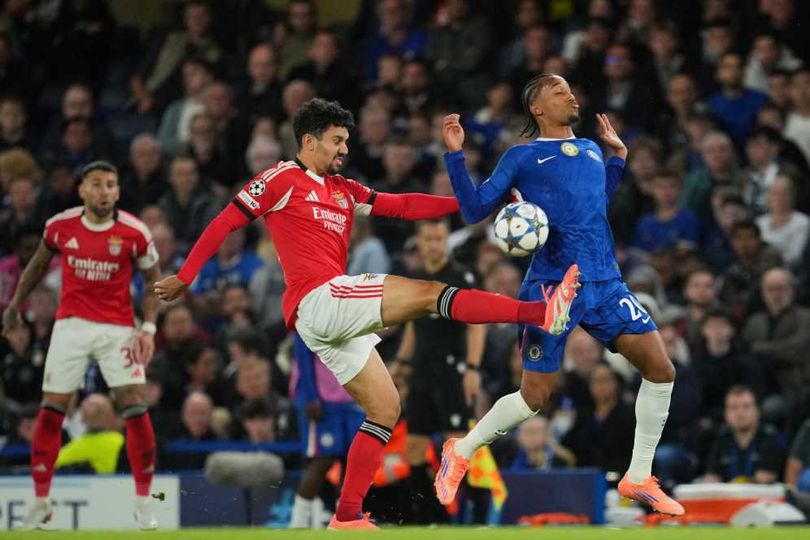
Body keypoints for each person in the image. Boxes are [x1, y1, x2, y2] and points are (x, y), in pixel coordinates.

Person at [154, 98, 579, 530]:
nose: (343, 150)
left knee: (385, 409)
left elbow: (404, 205)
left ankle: (346, 517)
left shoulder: (344, 189)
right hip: (318, 299)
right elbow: (226, 220)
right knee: (431, 293)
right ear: (309, 140)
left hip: (328, 320)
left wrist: (473, 202)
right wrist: (186, 276)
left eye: (346, 141)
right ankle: (539, 312)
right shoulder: (281, 178)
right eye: (336, 141)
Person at [437, 73, 683, 516]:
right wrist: (456, 157)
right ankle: (463, 449)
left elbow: (596, 202)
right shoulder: (522, 157)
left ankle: (639, 475)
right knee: (535, 397)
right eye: (558, 91)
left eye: (571, 89)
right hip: (553, 286)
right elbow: (474, 210)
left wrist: (618, 159)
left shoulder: (591, 148)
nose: (571, 95)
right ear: (537, 107)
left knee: (661, 369)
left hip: (606, 282)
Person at [1, 161, 162, 530]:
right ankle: (41, 502)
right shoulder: (61, 225)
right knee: (52, 408)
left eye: (110, 184)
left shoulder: (135, 231)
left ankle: (144, 502)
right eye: (96, 184)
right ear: (82, 191)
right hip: (70, 326)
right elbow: (37, 266)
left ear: (118, 192)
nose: (104, 191)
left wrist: (149, 328)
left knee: (134, 405)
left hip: (119, 328)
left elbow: (154, 279)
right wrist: (13, 306)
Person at [393, 218, 485, 524]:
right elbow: (412, 328)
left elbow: (476, 326)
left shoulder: (461, 276)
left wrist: (472, 368)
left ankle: (475, 515)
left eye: (438, 238)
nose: (434, 244)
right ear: (419, 243)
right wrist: (403, 364)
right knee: (415, 446)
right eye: (428, 239)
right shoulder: (415, 279)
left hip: (452, 371)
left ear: (447, 241)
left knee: (458, 448)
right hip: (421, 371)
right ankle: (431, 518)